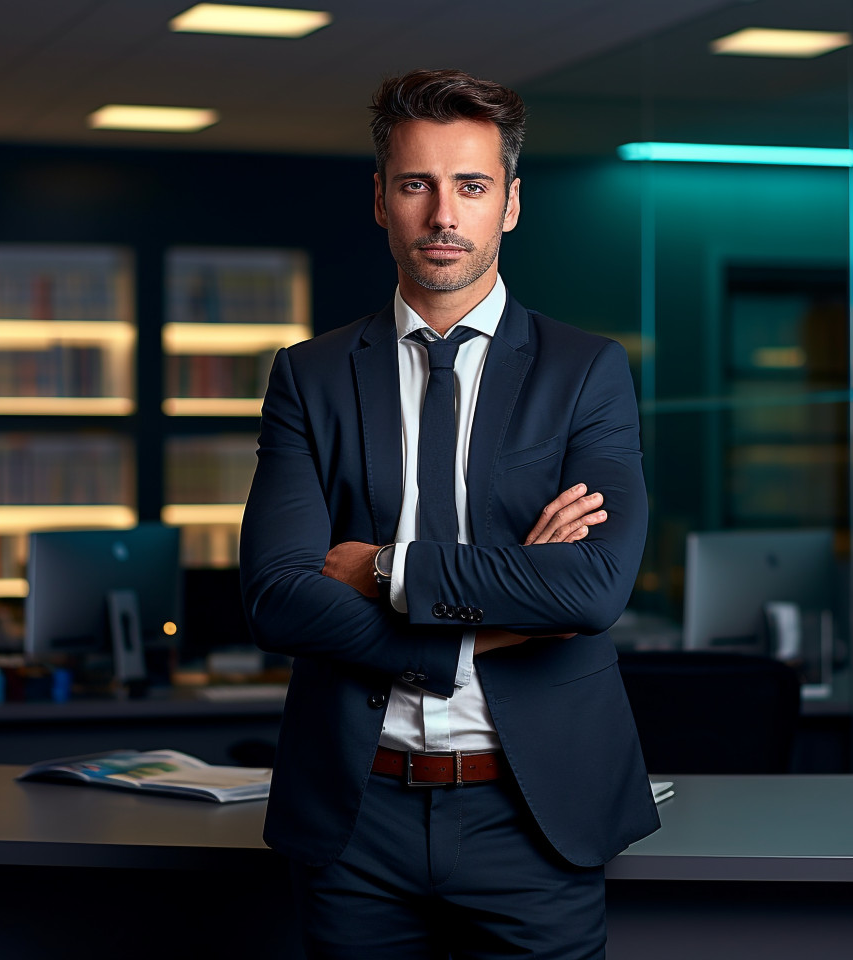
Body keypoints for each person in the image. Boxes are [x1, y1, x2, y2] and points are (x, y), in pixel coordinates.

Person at [240, 68, 658, 960]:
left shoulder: (585, 371)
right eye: (415, 184)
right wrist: (488, 622)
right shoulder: (308, 377)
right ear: (381, 201)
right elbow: (277, 594)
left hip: (534, 814)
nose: (443, 214)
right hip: (355, 819)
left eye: (470, 185)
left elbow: (589, 589)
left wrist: (386, 570)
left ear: (509, 203)